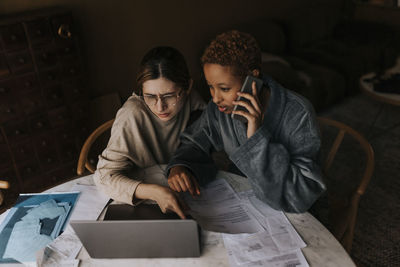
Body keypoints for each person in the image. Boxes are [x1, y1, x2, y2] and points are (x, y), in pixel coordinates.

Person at [166, 30, 326, 213]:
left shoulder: (298, 113)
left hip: (295, 213)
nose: (216, 98)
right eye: (211, 87)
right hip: (246, 202)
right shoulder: (220, 109)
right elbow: (194, 143)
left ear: (253, 78)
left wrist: (256, 138)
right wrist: (180, 166)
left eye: (224, 88)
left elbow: (301, 195)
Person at [93, 46, 206, 219]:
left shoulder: (193, 102)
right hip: (140, 205)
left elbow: (209, 151)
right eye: (150, 96)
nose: (160, 107)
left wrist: (184, 165)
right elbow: (103, 178)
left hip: (190, 199)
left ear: (188, 87)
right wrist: (154, 192)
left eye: (169, 95)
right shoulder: (132, 114)